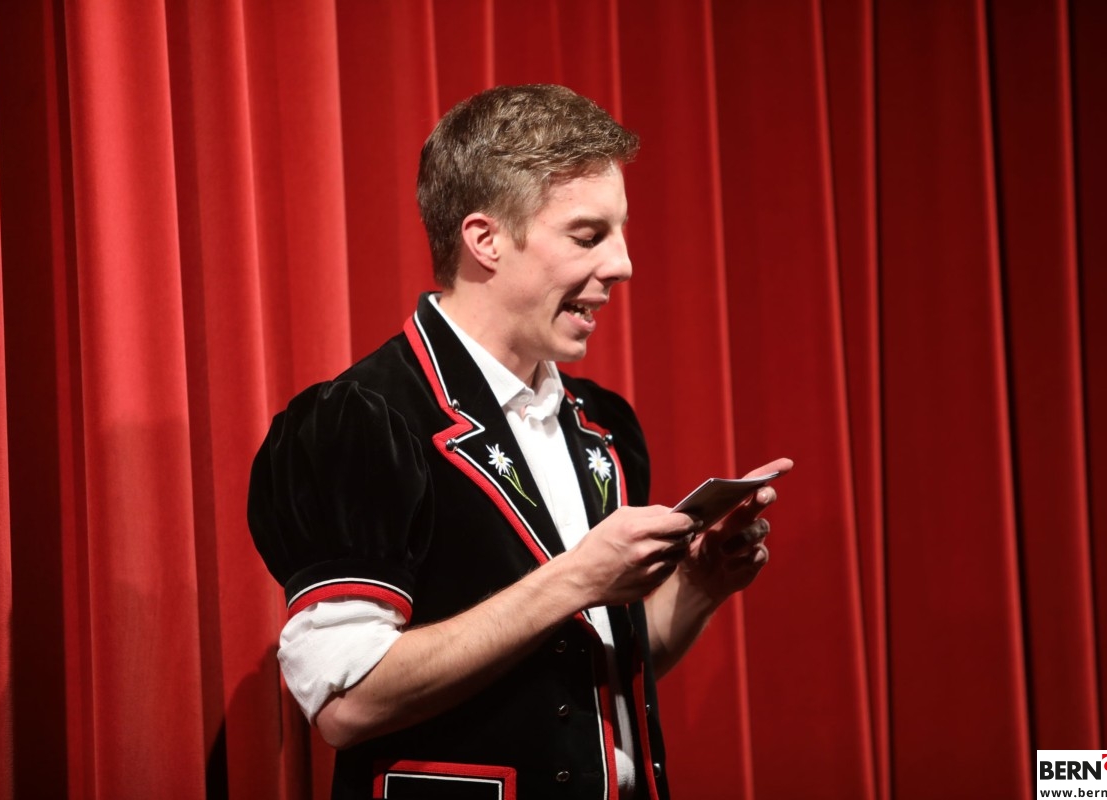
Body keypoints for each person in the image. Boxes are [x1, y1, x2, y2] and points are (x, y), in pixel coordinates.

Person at [248, 83, 792, 800]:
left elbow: (579, 680)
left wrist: (698, 585)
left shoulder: (604, 428)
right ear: (486, 240)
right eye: (589, 236)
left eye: (620, 233)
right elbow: (347, 705)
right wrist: (576, 578)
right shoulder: (361, 421)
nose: (623, 265)